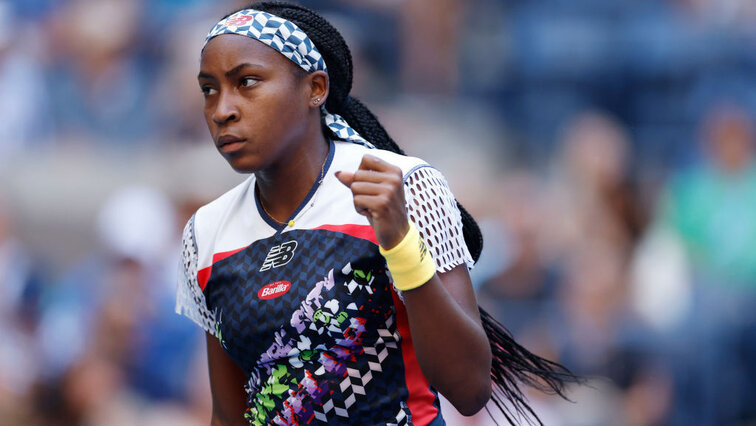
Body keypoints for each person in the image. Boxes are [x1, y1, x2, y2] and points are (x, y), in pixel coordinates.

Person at [175, 2, 573, 425]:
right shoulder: (206, 232)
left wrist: (400, 242)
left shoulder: (402, 185)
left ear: (316, 88)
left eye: (247, 82)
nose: (222, 110)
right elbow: (229, 414)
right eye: (209, 89)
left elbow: (470, 388)